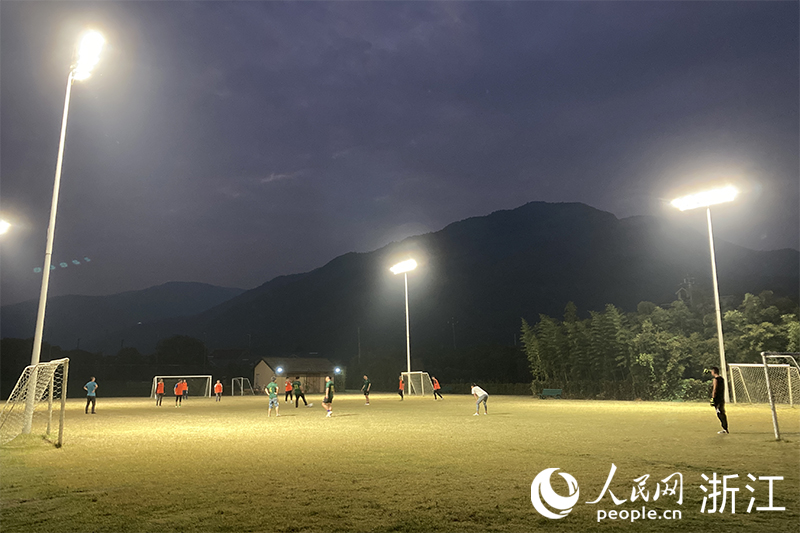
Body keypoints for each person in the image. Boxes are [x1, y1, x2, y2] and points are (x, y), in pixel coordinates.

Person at [710, 367, 729, 434]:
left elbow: (714, 389)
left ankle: (725, 428)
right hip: (721, 398)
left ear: (713, 372)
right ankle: (725, 428)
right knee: (721, 412)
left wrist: (713, 398)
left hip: (717, 399)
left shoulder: (715, 380)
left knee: (719, 413)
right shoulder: (722, 379)